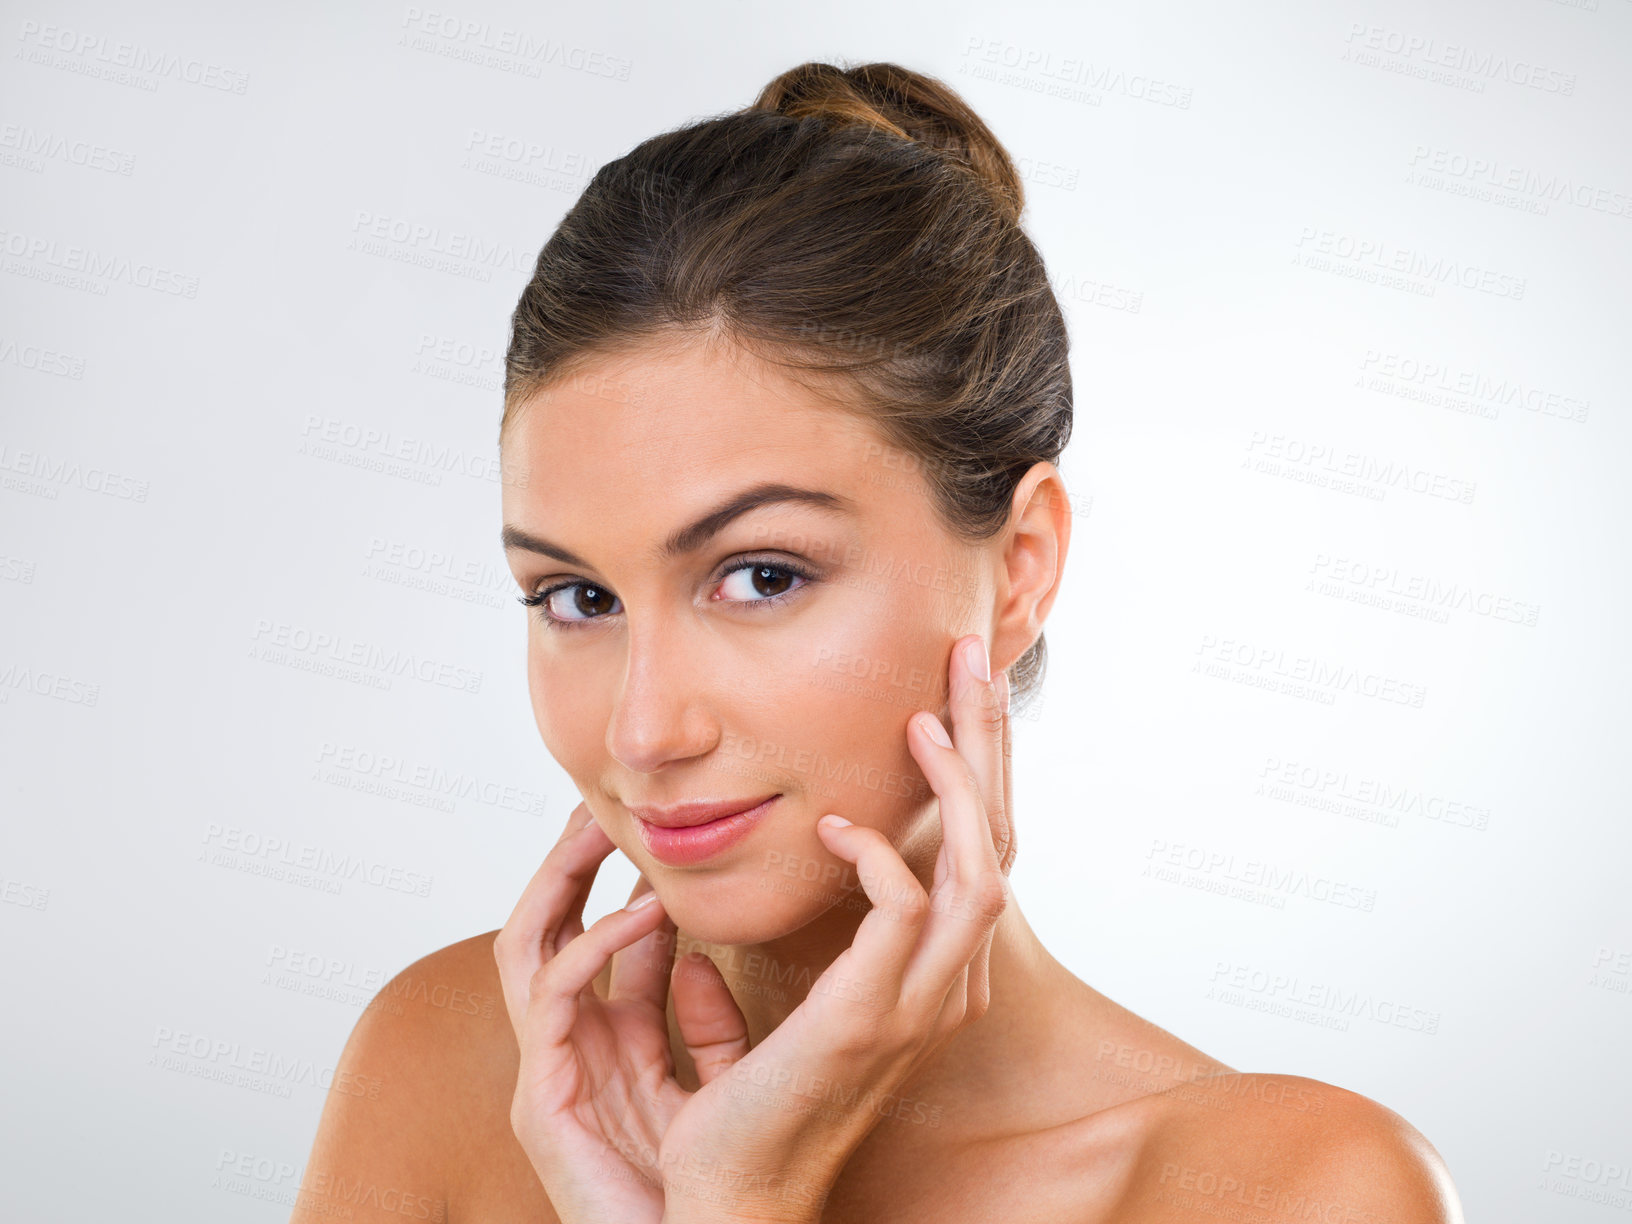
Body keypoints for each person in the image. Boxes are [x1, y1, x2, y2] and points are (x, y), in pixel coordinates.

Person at [290, 60, 1463, 1224]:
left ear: (1020, 569)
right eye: (577, 599)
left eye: (760, 576)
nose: (644, 732)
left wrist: (745, 1202)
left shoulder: (1297, 1192)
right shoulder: (448, 1064)